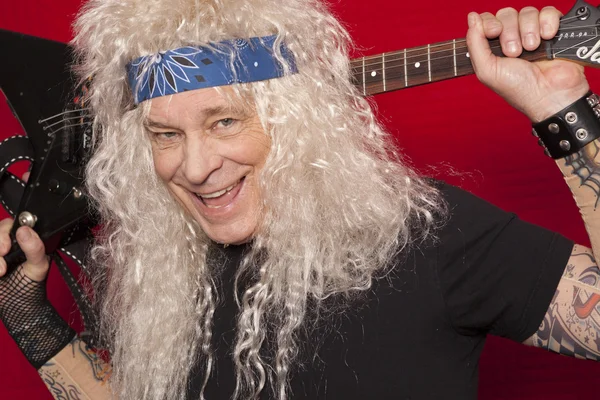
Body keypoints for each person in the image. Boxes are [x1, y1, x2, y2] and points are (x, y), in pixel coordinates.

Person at [0, 0, 598, 399]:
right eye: (166, 135)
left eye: (226, 122)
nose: (197, 166)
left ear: (296, 123)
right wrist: (26, 313)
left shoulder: (425, 233)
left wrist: (563, 114)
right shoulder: (160, 271)